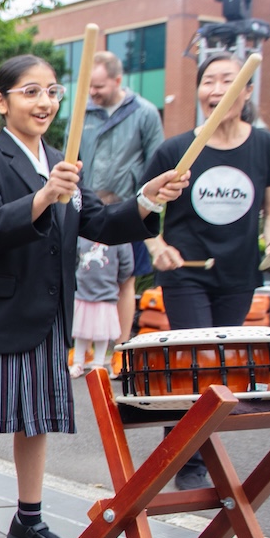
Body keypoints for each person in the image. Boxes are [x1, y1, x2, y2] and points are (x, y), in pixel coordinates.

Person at [0, 55, 188, 538]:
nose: (45, 102)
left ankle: (28, 520)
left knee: (35, 419)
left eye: (53, 91)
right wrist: (44, 196)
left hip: (50, 313)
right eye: (31, 91)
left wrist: (147, 200)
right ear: (1, 102)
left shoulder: (62, 160)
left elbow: (100, 223)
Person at [143, 49, 270, 490]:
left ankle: (192, 452)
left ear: (247, 91)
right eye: (208, 81)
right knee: (195, 360)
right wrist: (157, 246)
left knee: (221, 367)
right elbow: (144, 209)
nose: (216, 89)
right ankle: (185, 461)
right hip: (185, 271)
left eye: (228, 80)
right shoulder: (176, 150)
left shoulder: (268, 147)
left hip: (238, 273)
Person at [79, 52, 165, 339]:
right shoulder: (82, 113)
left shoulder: (145, 113)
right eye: (90, 86)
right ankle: (84, 345)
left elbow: (156, 162)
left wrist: (147, 203)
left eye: (99, 86)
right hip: (89, 209)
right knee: (84, 276)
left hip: (129, 209)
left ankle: (121, 345)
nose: (93, 92)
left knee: (125, 279)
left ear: (117, 81)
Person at [70, 211, 133, 377]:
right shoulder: (83, 235)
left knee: (102, 332)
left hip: (106, 295)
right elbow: (74, 256)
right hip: (82, 293)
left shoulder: (120, 238)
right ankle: (78, 361)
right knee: (81, 330)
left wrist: (117, 280)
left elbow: (127, 264)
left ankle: (98, 364)